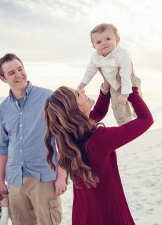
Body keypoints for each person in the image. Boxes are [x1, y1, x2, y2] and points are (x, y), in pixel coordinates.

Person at [44, 77, 154, 224]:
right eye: (77, 94)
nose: (81, 91)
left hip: (83, 215)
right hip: (108, 215)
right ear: (74, 110)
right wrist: (130, 90)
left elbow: (98, 112)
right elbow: (146, 119)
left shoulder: (66, 140)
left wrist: (105, 87)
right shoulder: (99, 139)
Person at [0, 53, 66, 225]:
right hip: (14, 180)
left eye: (20, 69)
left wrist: (62, 175)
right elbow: (3, 145)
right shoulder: (3, 109)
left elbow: (63, 138)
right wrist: (1, 181)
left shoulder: (48, 98)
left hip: (43, 176)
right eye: (11, 72)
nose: (18, 75)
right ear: (3, 79)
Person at [78, 23, 142, 125]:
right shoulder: (95, 57)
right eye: (98, 42)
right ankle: (124, 123)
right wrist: (83, 83)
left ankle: (137, 112)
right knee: (117, 105)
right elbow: (90, 70)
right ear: (94, 46)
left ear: (117, 40)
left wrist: (125, 94)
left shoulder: (122, 54)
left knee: (135, 96)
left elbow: (125, 73)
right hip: (113, 84)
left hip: (128, 79)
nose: (103, 43)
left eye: (108, 39)